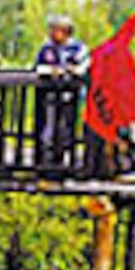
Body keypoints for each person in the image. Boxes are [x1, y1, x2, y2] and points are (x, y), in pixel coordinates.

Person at [33, 15, 89, 167]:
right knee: (47, 128)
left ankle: (64, 161)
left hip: (70, 95)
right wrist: (51, 70)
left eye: (55, 29)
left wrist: (70, 70)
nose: (52, 33)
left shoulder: (77, 48)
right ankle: (46, 161)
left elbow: (83, 67)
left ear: (66, 31)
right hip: (48, 95)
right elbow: (38, 67)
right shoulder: (46, 48)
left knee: (66, 128)